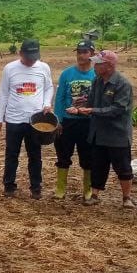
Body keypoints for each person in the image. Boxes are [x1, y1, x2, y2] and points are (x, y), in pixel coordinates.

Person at [68, 50, 134, 206]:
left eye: (98, 63)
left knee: (122, 166)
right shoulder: (97, 81)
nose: (94, 66)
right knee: (98, 164)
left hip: (117, 133)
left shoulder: (122, 84)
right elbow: (91, 101)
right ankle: (95, 195)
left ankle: (127, 198)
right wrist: (81, 105)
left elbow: (117, 109)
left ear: (109, 66)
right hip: (99, 132)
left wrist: (91, 110)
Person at [0, 39, 54, 198]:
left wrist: (47, 103)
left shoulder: (43, 68)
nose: (31, 61)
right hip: (14, 119)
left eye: (34, 57)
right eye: (28, 57)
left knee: (35, 155)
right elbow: (3, 93)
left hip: (36, 120)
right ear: (20, 53)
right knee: (12, 154)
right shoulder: (10, 68)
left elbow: (48, 88)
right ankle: (9, 185)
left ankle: (36, 187)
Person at [52, 40, 97, 202]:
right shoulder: (67, 74)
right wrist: (58, 120)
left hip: (88, 121)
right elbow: (59, 98)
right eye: (79, 52)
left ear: (92, 54)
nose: (81, 55)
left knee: (88, 157)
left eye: (85, 52)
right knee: (63, 154)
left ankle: (88, 190)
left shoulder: (96, 75)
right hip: (68, 121)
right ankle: (60, 188)